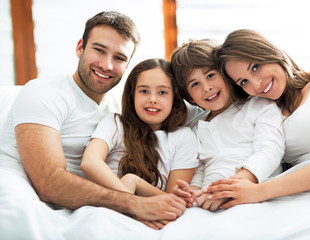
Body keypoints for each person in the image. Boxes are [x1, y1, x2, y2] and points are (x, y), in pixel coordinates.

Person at [0, 11, 187, 225]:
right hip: (25, 191)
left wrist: (191, 61)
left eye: (119, 58)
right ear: (80, 47)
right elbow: (48, 183)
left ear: (127, 66)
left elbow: (186, 108)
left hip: (86, 204)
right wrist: (135, 205)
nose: (107, 65)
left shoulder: (121, 108)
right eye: (99, 50)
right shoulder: (43, 92)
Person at [207, 29, 310, 208]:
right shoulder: (263, 112)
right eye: (244, 82)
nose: (256, 85)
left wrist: (258, 191)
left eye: (255, 67)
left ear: (270, 52)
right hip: (298, 193)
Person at [81, 58, 198, 229]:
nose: (152, 99)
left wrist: (135, 182)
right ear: (132, 95)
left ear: (175, 99)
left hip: (155, 219)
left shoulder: (183, 137)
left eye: (162, 92)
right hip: (109, 212)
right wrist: (133, 202)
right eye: (144, 91)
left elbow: (173, 200)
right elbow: (90, 161)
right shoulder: (115, 123)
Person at [170, 39, 285, 211]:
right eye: (195, 84)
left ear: (227, 75)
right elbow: (199, 169)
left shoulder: (257, 106)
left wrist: (235, 185)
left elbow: (270, 150)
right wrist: (192, 191)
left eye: (210, 76)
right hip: (210, 198)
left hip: (254, 191)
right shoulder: (195, 127)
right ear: (190, 97)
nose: (207, 87)